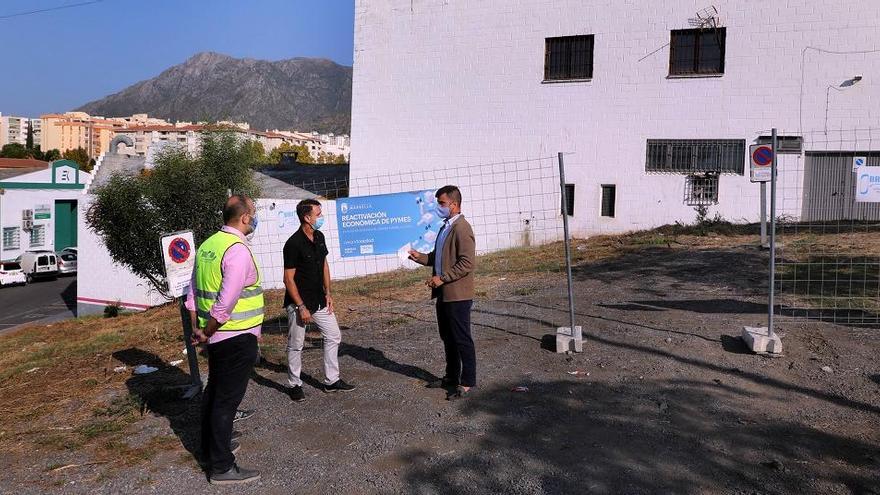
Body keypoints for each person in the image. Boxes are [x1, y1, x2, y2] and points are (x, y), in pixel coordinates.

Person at [186, 194, 263, 485]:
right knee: (226, 401)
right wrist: (207, 330)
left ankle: (210, 448)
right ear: (244, 218)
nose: (254, 218)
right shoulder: (237, 250)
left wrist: (198, 327)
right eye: (253, 213)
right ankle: (221, 466)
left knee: (215, 393)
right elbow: (226, 301)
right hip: (235, 335)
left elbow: (192, 290)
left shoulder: (209, 244)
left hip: (215, 336)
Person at [408, 185, 477, 400]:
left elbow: (466, 263)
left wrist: (442, 278)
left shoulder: (462, 228)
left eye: (441, 203)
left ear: (454, 205)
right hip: (444, 294)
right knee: (448, 337)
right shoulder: (445, 226)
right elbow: (437, 256)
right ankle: (451, 377)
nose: (438, 207)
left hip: (457, 294)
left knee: (461, 338)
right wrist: (419, 257)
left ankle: (467, 382)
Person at [283, 198, 355, 401]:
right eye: (318, 214)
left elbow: (324, 265)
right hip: (299, 303)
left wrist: (329, 293)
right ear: (307, 217)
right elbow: (288, 279)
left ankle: (332, 381)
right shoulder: (293, 244)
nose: (321, 218)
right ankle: (295, 384)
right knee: (296, 344)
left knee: (333, 335)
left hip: (320, 299)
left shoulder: (319, 236)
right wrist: (301, 307)